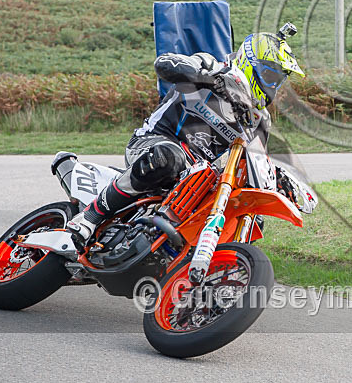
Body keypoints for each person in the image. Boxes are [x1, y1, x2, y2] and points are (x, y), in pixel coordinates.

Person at [67, 23, 304, 243]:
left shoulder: (259, 119)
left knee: (249, 214)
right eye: (271, 76)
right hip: (153, 144)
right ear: (249, 62)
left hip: (195, 177)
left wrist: (278, 179)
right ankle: (91, 216)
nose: (273, 86)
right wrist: (209, 79)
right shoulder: (212, 65)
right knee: (169, 158)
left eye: (279, 80)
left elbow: (254, 163)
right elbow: (164, 63)